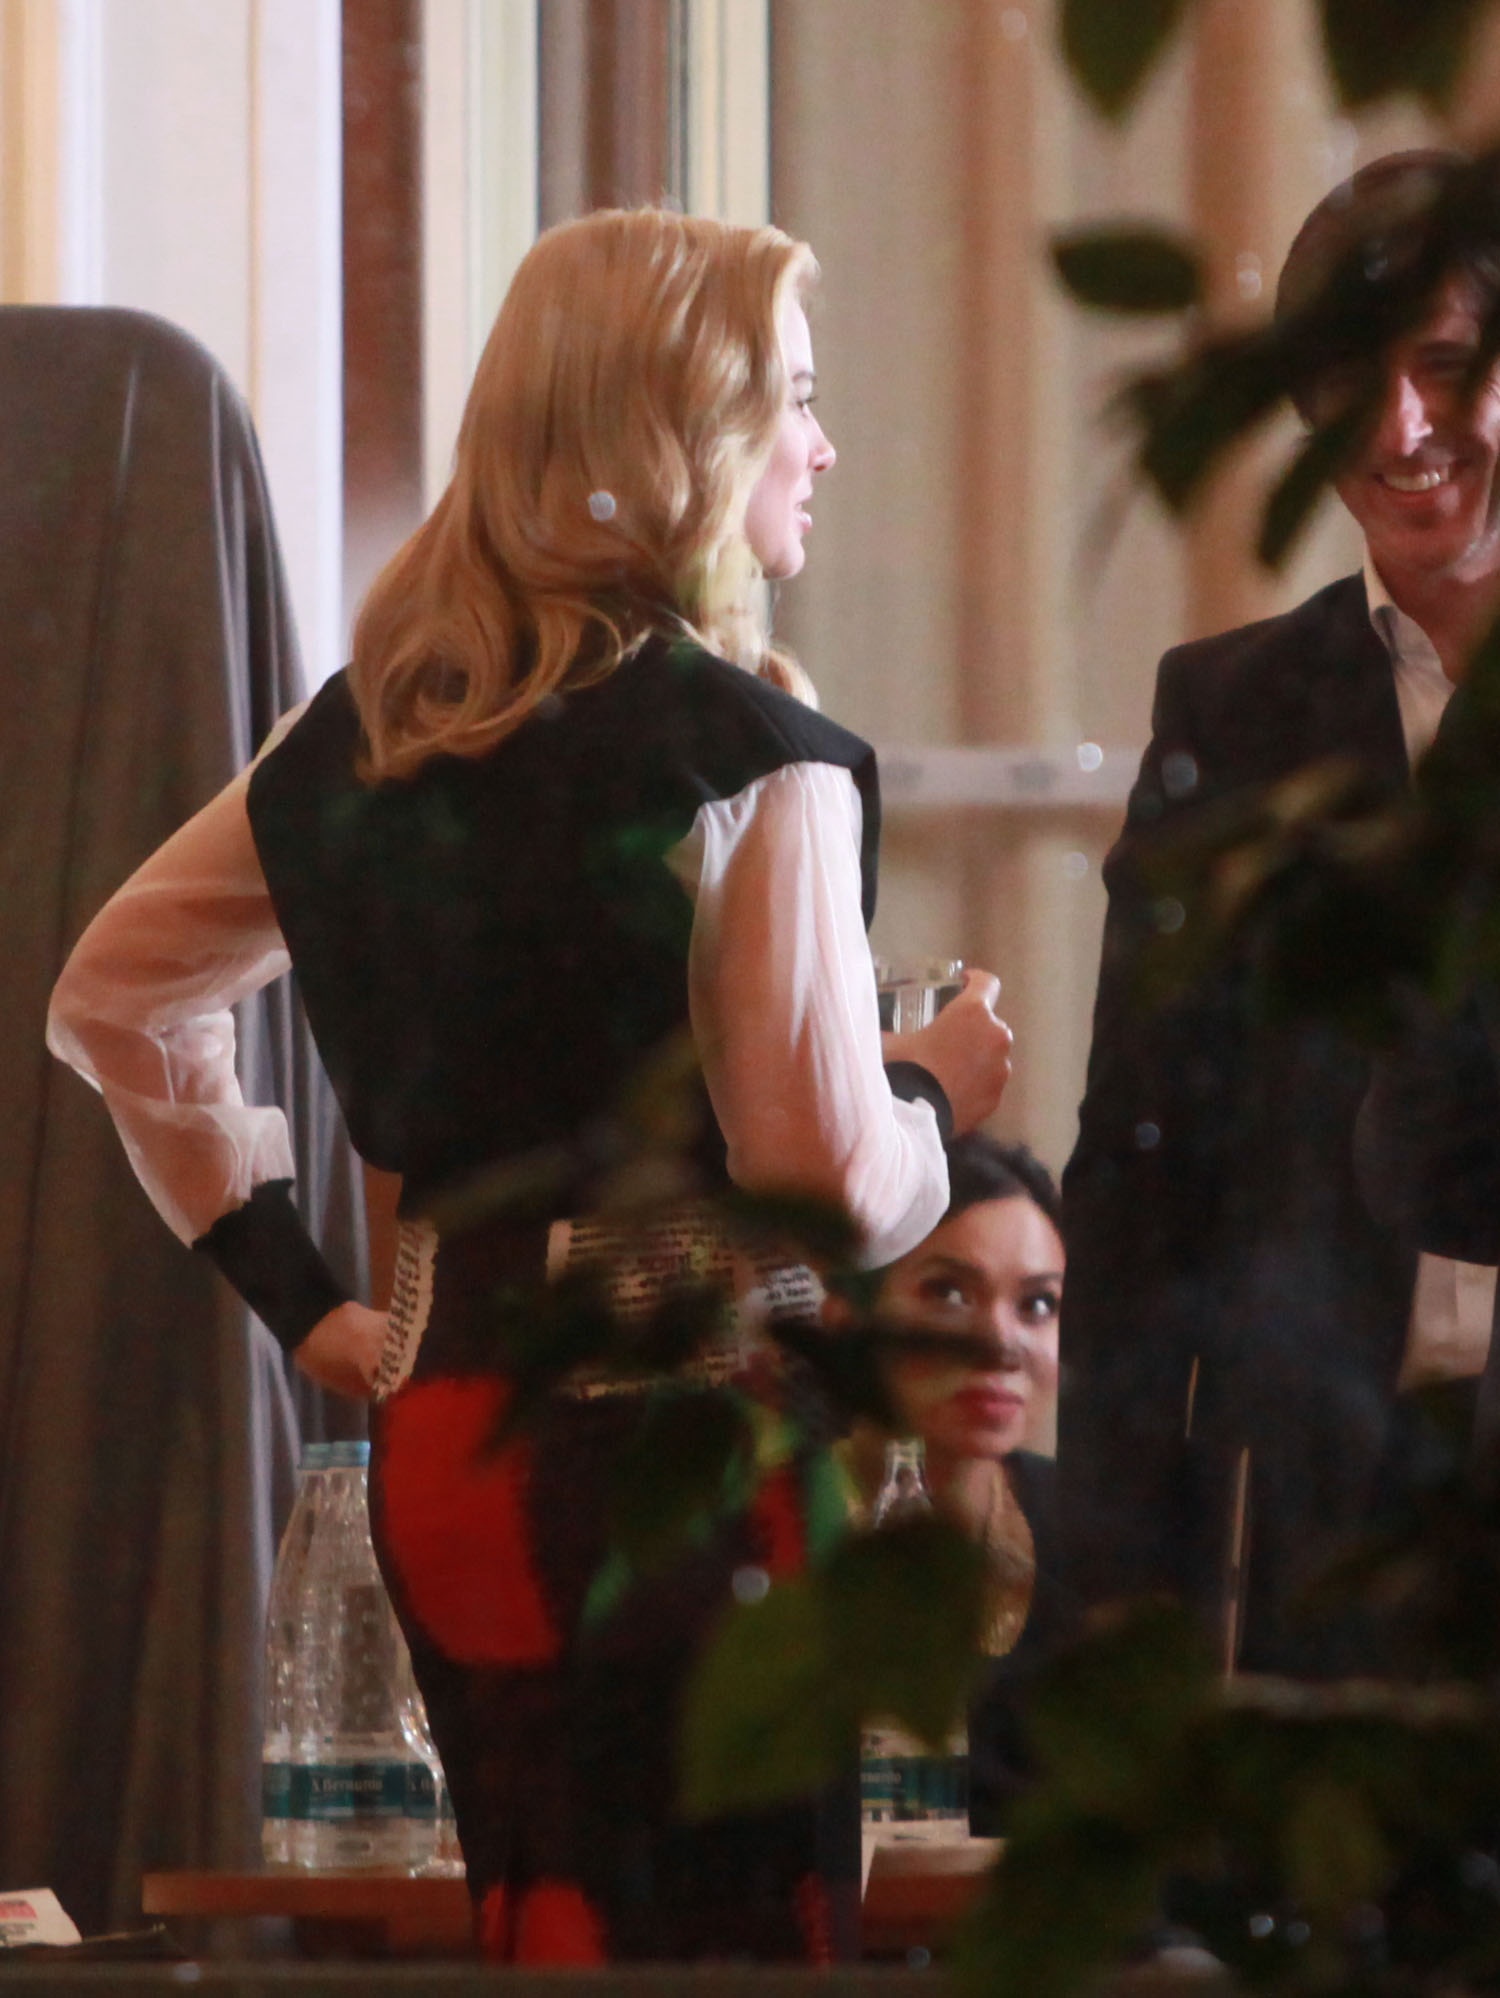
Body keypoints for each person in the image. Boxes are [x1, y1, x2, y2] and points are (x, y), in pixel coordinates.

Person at [47, 207, 1013, 1962]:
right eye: (794, 399)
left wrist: (299, 1293)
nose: (823, 445)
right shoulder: (755, 758)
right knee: (742, 1940)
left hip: (453, 1426)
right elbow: (822, 1177)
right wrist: (934, 1093)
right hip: (699, 1428)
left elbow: (115, 998)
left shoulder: (364, 740)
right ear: (687, 436)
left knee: (541, 1922)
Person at [1059, 150, 1500, 1678]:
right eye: (1349, 381)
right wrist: (1115, 1572)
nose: (1401, 429)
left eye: (1446, 365)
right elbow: (1139, 1163)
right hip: (1325, 1508)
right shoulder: (1233, 713)